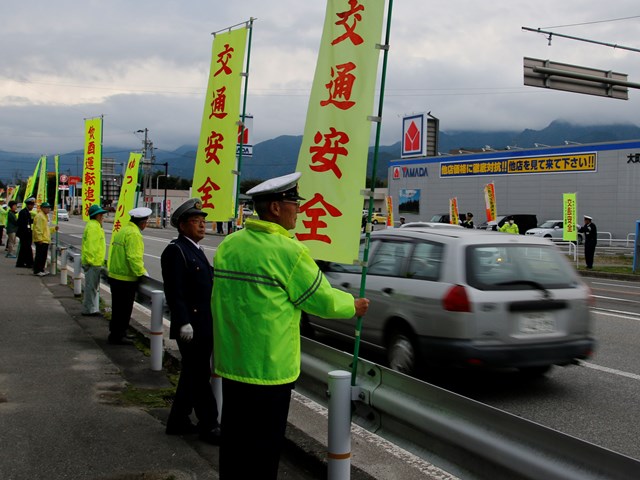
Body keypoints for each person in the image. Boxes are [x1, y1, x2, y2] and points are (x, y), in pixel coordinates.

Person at [211, 172, 370, 479]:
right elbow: (321, 300)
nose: (299, 208)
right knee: (263, 450)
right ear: (275, 208)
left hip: (232, 363)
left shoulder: (229, 245)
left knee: (234, 443)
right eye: (293, 202)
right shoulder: (290, 252)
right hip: (269, 370)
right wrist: (354, 306)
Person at [161, 198, 220, 444]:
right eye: (196, 221)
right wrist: (183, 321)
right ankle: (209, 425)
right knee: (199, 376)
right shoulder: (176, 250)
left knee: (192, 374)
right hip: (191, 326)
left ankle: (178, 420)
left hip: (204, 324)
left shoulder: (195, 249)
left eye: (204, 222)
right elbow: (175, 291)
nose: (202, 226)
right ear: (182, 225)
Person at [107, 207, 151, 345]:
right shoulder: (134, 234)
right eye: (146, 222)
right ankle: (119, 335)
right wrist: (143, 273)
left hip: (115, 275)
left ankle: (116, 333)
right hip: (126, 278)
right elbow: (134, 258)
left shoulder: (123, 230)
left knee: (117, 308)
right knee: (124, 310)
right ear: (142, 222)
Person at [81, 204, 108, 316]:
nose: (103, 217)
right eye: (101, 214)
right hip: (93, 263)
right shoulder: (94, 227)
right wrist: (93, 262)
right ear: (96, 216)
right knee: (91, 287)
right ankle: (89, 310)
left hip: (94, 262)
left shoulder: (94, 225)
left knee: (92, 287)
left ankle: (91, 308)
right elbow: (92, 247)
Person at [32, 202, 57, 276]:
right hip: (42, 240)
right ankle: (37, 270)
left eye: (49, 208)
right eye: (47, 208)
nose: (48, 209)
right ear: (42, 208)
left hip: (44, 239)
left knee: (43, 256)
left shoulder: (44, 216)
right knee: (40, 256)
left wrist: (54, 229)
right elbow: (38, 229)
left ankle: (41, 269)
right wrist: (39, 239)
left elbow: (46, 229)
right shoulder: (40, 216)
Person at [16, 197, 36, 268]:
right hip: (24, 234)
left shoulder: (27, 212)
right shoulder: (23, 212)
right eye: (32, 205)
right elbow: (22, 223)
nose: (32, 207)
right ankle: (28, 263)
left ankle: (21, 263)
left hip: (26, 233)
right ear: (28, 205)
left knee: (24, 249)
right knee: (26, 248)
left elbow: (28, 222)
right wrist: (27, 231)